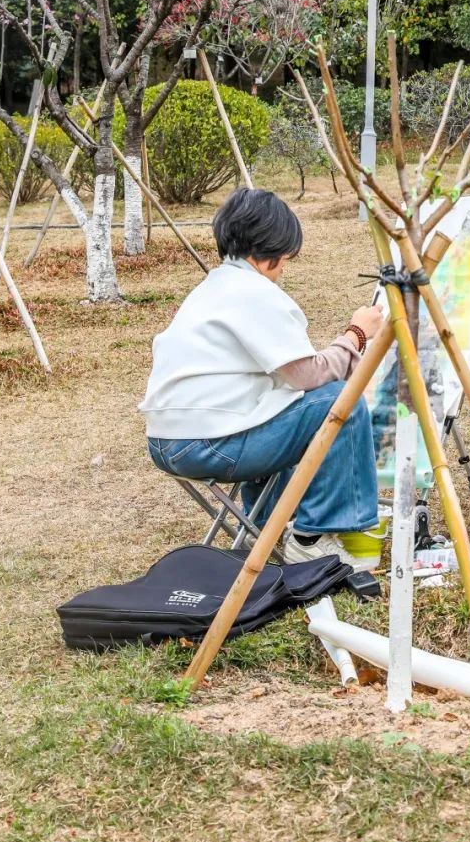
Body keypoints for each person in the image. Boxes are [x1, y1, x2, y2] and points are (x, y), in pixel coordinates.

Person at [140, 186, 383, 568]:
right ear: (272, 251)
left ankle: (272, 525)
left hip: (168, 440)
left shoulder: (213, 287)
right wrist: (357, 334)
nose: (285, 267)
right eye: (286, 257)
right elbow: (308, 375)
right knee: (341, 401)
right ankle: (313, 536)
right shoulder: (254, 292)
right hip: (207, 443)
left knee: (283, 409)